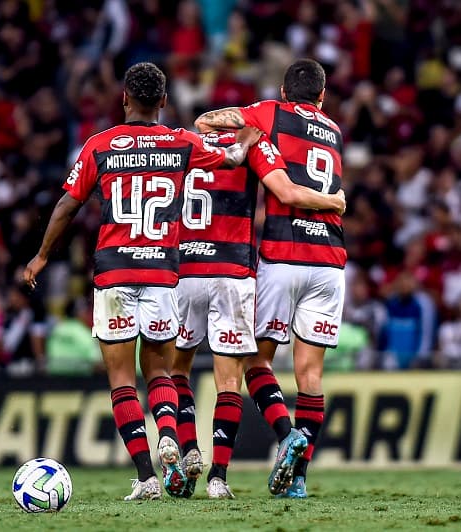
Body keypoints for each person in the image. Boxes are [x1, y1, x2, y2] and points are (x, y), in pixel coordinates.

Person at [24, 62, 259, 501]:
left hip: (114, 271)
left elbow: (67, 206)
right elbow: (232, 158)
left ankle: (147, 478)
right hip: (162, 274)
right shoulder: (181, 142)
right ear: (164, 101)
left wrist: (41, 256)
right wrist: (250, 134)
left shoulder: (100, 145)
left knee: (121, 379)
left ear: (124, 99)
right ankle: (168, 434)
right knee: (159, 371)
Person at [195, 59, 346, 498]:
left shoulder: (270, 112)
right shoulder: (334, 130)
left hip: (283, 255)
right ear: (322, 96)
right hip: (330, 260)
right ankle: (297, 480)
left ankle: (288, 434)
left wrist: (248, 135)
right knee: (310, 376)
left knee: (256, 363)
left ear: (283, 91)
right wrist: (336, 202)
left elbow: (206, 122)